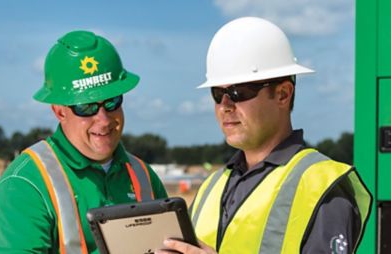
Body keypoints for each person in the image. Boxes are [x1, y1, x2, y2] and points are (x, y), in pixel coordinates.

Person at [156, 17, 371, 254]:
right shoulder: (211, 188)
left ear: (282, 94)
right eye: (218, 93)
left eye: (239, 92)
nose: (225, 105)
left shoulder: (321, 187)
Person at [0, 30, 167, 253]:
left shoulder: (144, 177)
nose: (103, 119)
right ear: (59, 111)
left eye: (112, 102)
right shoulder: (25, 183)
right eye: (86, 107)